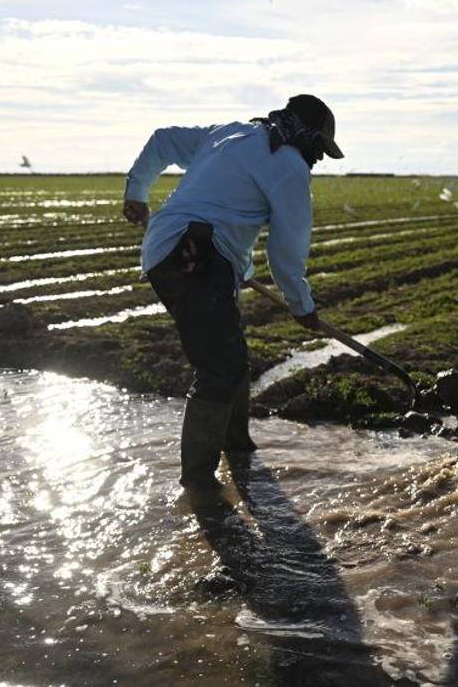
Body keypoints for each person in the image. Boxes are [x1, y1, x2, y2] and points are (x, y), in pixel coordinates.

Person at [121, 94, 344, 491]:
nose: (319, 159)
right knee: (219, 368)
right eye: (320, 150)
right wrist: (301, 306)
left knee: (230, 353)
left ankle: (237, 447)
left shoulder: (230, 133)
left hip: (171, 249)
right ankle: (200, 487)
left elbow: (163, 141)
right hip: (195, 255)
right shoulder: (290, 166)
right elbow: (286, 251)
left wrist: (137, 191)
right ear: (309, 137)